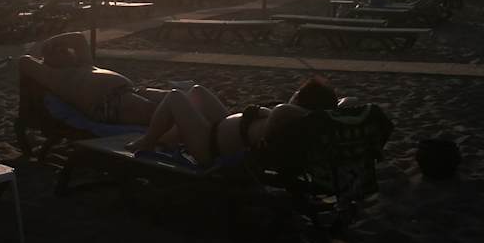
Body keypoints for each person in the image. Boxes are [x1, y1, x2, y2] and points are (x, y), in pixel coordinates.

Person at [127, 76, 342, 166]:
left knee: (175, 97)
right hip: (219, 132)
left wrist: (265, 112)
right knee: (197, 91)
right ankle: (167, 139)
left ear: (301, 102)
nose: (291, 96)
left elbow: (282, 110)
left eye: (296, 94)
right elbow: (352, 101)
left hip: (209, 148)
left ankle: (147, 142)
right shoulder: (294, 121)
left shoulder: (286, 116)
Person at [19, 32, 174, 125]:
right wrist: (45, 52)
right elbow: (24, 61)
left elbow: (78, 38)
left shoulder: (83, 64)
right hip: (108, 103)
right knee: (152, 110)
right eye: (58, 51)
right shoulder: (55, 78)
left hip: (129, 91)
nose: (65, 50)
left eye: (65, 49)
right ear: (49, 62)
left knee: (172, 97)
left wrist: (52, 41)